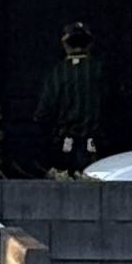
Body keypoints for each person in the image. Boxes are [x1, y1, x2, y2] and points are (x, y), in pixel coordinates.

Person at [37, 21, 109, 171]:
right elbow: (113, 103)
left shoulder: (58, 72)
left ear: (64, 44)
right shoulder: (100, 71)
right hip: (95, 141)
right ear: (90, 44)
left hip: (65, 142)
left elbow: (45, 109)